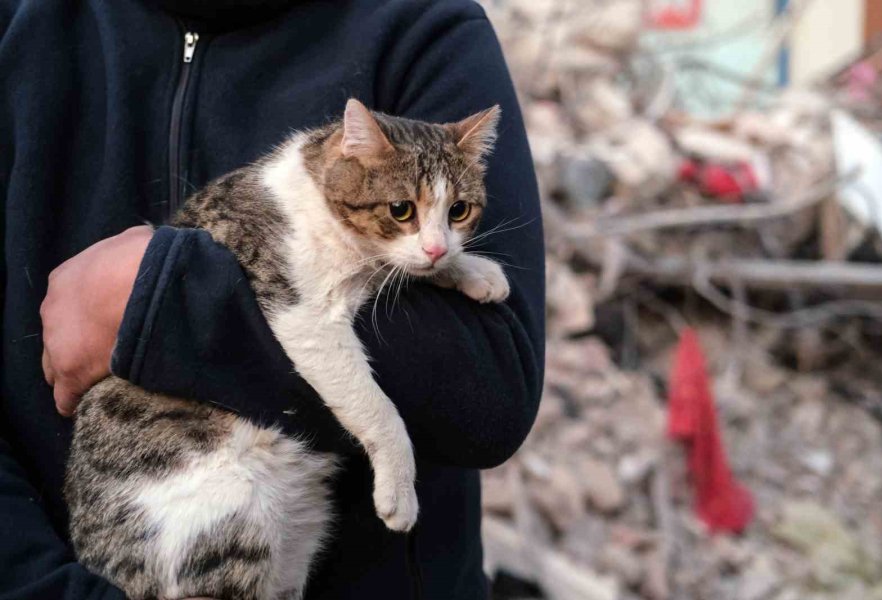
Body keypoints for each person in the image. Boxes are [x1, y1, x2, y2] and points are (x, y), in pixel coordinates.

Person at [1, 0, 545, 597]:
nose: (439, 244)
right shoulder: (21, 29)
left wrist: (159, 298)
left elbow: (495, 391)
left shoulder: (425, 28)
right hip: (138, 531)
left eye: (460, 215)